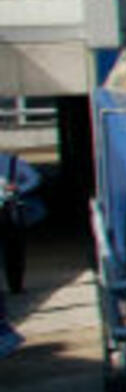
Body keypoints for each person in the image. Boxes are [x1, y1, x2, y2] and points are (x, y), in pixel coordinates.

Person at [1, 152, 43, 358]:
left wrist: (18, 189)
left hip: (9, 213)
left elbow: (34, 178)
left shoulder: (13, 162)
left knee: (14, 250)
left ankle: (15, 284)